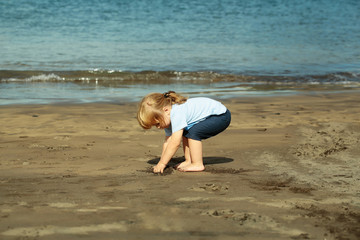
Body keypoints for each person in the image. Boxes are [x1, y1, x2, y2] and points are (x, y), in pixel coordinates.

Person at [137, 91, 231, 173]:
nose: (158, 127)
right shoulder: (167, 116)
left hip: (220, 116)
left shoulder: (177, 113)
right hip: (214, 116)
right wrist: (162, 161)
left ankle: (197, 163)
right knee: (186, 132)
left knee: (193, 132)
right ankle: (189, 160)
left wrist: (162, 163)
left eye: (157, 124)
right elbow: (168, 141)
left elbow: (175, 143)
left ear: (165, 110)